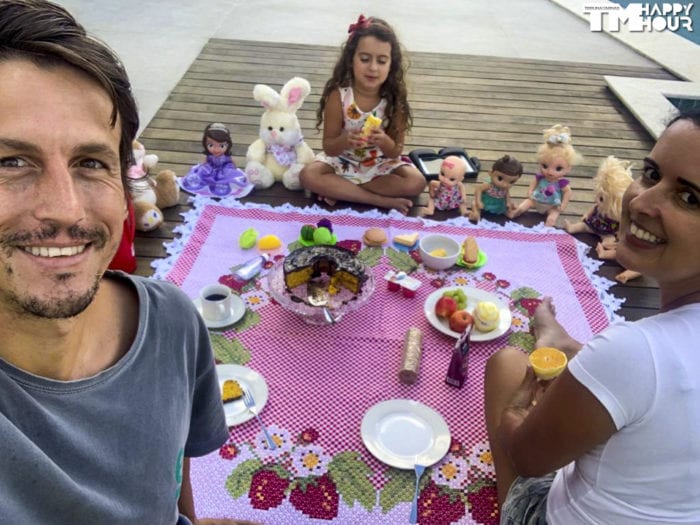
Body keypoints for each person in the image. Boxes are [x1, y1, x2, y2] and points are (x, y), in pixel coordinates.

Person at [0, 2, 256, 524]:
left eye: (90, 162)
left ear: (123, 190)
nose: (65, 210)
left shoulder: (170, 320)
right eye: (11, 162)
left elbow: (171, 470)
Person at [484, 109, 700, 523]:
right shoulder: (643, 356)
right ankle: (560, 341)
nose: (641, 201)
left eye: (689, 197)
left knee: (509, 363)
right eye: (652, 174)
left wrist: (521, 408)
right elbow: (665, 386)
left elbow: (529, 456)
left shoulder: (631, 351)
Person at [299, 14, 426, 215]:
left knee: (417, 182)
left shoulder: (394, 100)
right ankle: (377, 200)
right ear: (351, 60)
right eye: (365, 59)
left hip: (378, 165)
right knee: (308, 175)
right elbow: (329, 148)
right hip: (342, 162)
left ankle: (341, 190)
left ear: (391, 65)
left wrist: (384, 141)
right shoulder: (339, 96)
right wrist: (346, 140)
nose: (373, 68)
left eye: (382, 61)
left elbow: (395, 151)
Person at [509, 125, 582, 227]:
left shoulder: (561, 182)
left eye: (558, 169)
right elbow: (534, 182)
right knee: (526, 203)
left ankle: (547, 228)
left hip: (552, 205)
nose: (550, 172)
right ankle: (516, 212)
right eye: (545, 166)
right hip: (536, 199)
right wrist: (530, 191)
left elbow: (568, 192)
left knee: (552, 216)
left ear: (568, 168)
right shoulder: (541, 176)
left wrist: (563, 204)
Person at [181, 122, 252, 198]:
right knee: (202, 172)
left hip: (224, 169)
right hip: (211, 168)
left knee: (229, 175)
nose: (216, 150)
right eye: (211, 145)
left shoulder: (226, 156)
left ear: (228, 145)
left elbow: (232, 162)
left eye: (221, 146)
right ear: (205, 144)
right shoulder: (210, 156)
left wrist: (234, 169)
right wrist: (202, 166)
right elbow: (206, 162)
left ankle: (222, 185)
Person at [468, 154, 523, 223]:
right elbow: (478, 190)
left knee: (509, 212)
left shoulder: (505, 187)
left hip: (499, 203)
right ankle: (476, 214)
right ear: (490, 173)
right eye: (500, 178)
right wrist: (479, 201)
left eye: (511, 182)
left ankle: (513, 212)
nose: (505, 184)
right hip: (486, 202)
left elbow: (506, 193)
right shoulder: (488, 185)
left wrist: (508, 202)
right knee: (475, 204)